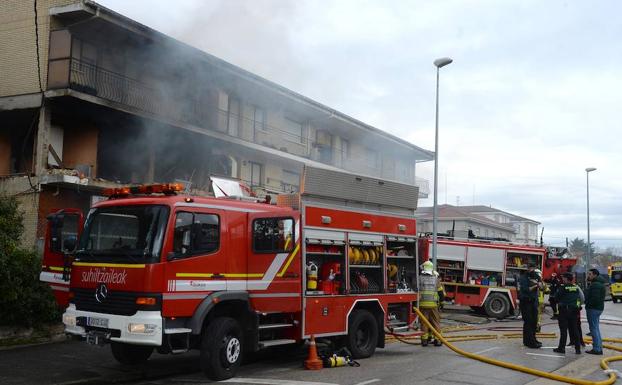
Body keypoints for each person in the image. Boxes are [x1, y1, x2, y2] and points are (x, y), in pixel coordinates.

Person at [554, 272, 582, 354]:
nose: (562, 279)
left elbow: (556, 298)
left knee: (564, 331)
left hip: (564, 311)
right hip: (574, 311)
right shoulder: (576, 288)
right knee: (575, 330)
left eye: (563, 278)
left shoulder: (563, 288)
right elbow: (579, 299)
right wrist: (577, 307)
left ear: (566, 279)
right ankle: (578, 349)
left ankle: (561, 348)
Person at [419, 260, 443, 347]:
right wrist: (442, 302)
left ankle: (424, 340)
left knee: (424, 322)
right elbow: (440, 292)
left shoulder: (419, 278)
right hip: (433, 305)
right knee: (435, 322)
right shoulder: (436, 279)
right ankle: (437, 340)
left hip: (422, 305)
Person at [585, 268, 606, 355]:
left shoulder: (595, 285)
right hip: (598, 308)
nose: (588, 276)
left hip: (593, 309)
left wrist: (587, 304)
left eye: (590, 274)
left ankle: (597, 349)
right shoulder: (599, 283)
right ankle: (598, 347)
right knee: (596, 328)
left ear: (595, 275)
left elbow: (595, 298)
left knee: (593, 329)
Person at [519, 264, 541, 348]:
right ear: (527, 269)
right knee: (528, 322)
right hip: (526, 302)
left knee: (534, 322)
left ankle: (533, 339)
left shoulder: (536, 276)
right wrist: (536, 285)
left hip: (534, 302)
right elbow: (526, 289)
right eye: (530, 268)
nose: (532, 270)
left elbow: (542, 286)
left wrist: (541, 285)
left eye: (533, 268)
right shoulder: (524, 278)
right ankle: (529, 342)